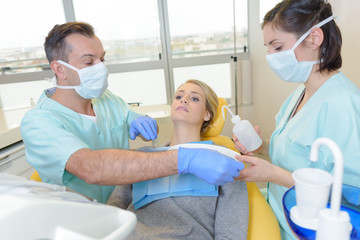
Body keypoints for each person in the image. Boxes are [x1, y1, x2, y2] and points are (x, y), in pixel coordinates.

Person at [20, 22, 244, 203]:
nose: (101, 68)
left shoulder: (108, 100)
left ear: (208, 114)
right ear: (59, 69)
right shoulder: (39, 122)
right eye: (89, 62)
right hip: (77, 220)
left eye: (102, 59)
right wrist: (185, 159)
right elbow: (91, 167)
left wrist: (135, 119)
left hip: (121, 213)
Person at [233, 0, 360, 239]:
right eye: (268, 48)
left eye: (277, 47)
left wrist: (271, 174)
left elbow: (351, 198)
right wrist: (261, 148)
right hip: (279, 219)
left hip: (309, 232)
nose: (271, 57)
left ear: (314, 38)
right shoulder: (300, 94)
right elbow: (300, 155)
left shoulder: (344, 105)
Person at [108, 79, 248, 239]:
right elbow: (112, 213)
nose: (184, 100)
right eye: (178, 96)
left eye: (194, 98)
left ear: (207, 114)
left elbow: (231, 234)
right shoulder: (143, 156)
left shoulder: (224, 161)